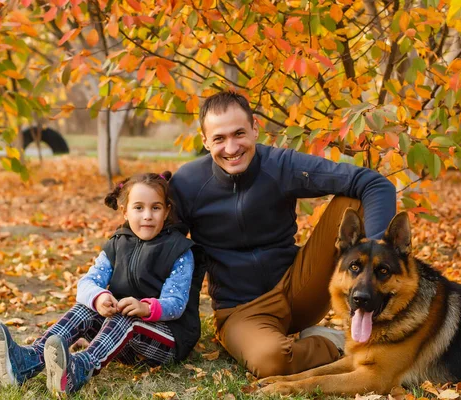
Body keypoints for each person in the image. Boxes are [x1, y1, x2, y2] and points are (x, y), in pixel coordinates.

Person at [169, 91, 397, 378]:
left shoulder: (281, 164)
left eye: (239, 133)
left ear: (255, 128)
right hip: (241, 310)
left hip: (298, 288)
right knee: (271, 361)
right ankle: (330, 342)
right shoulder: (188, 183)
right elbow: (163, 245)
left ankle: (359, 307)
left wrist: (374, 261)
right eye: (219, 138)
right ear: (205, 141)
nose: (231, 147)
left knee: (351, 201)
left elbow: (374, 184)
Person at [0, 171, 203, 395]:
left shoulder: (179, 250)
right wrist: (99, 298)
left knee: (126, 316)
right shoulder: (117, 244)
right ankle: (27, 362)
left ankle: (80, 369)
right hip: (121, 341)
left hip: (166, 342)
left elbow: (176, 303)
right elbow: (88, 282)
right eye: (139, 208)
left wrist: (145, 308)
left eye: (155, 208)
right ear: (125, 211)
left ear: (166, 211)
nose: (147, 215)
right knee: (86, 307)